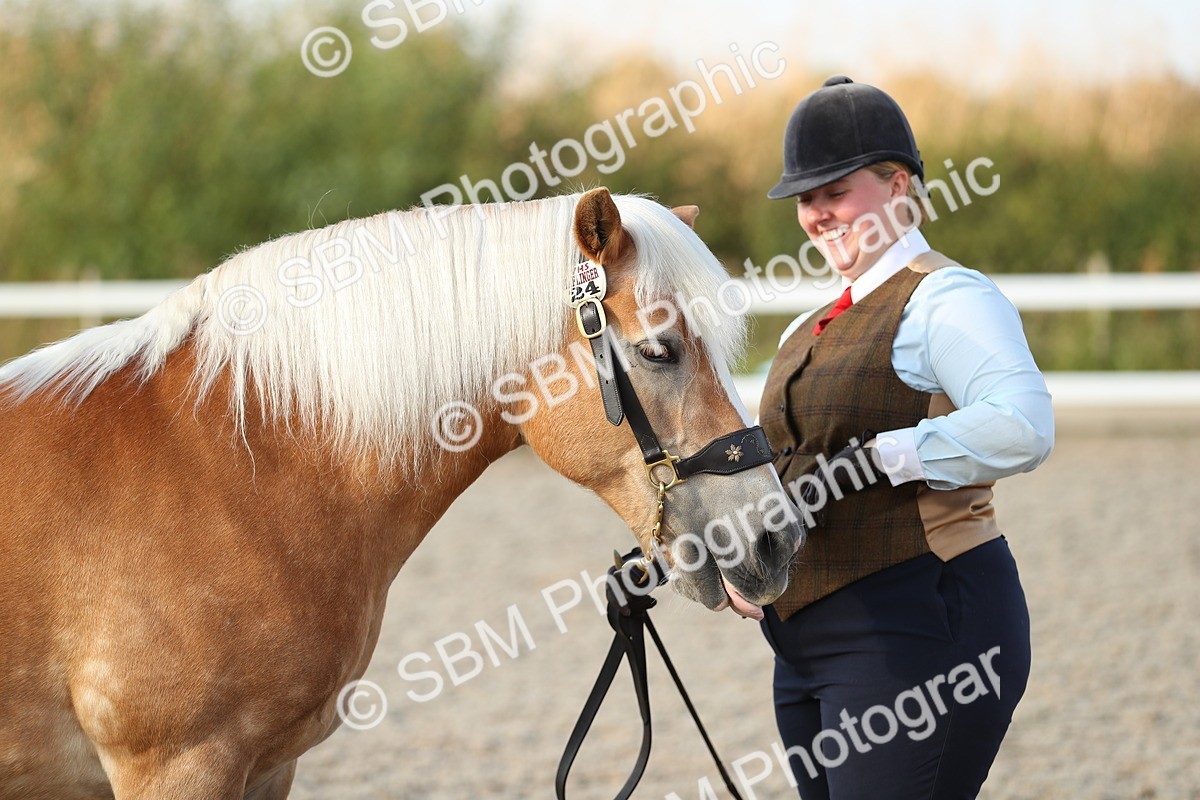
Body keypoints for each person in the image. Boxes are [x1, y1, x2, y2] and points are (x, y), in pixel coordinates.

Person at [735, 75, 1055, 799]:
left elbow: (1024, 422)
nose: (817, 214)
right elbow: (786, 469)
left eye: (835, 191)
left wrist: (887, 455)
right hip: (806, 649)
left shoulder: (948, 298)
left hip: (922, 625)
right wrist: (729, 554)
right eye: (806, 199)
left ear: (898, 185)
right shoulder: (805, 327)